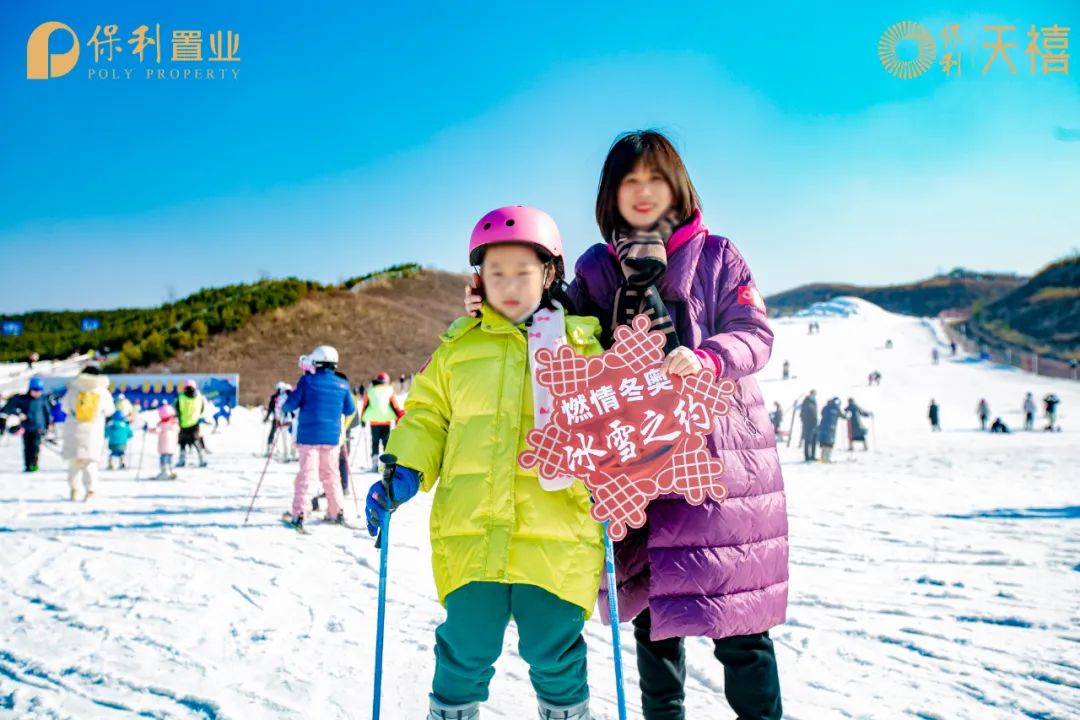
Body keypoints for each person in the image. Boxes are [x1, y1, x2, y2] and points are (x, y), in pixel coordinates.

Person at [468, 132, 786, 719]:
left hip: (717, 462)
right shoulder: (595, 268)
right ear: (610, 194)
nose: (642, 194)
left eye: (654, 180)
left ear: (677, 187)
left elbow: (755, 332)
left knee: (739, 627)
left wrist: (709, 355)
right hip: (635, 465)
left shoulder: (718, 256)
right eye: (628, 183)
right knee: (657, 623)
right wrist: (495, 300)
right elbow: (554, 323)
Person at [374, 205, 605, 720]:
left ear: (549, 274)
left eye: (523, 272)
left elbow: (612, 421)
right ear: (479, 278)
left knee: (555, 649)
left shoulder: (583, 344)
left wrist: (613, 475)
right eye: (495, 273)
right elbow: (427, 414)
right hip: (472, 526)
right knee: (464, 645)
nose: (509, 285)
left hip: (557, 528)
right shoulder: (458, 347)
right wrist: (406, 468)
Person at [282, 344, 356, 530]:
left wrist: (287, 402)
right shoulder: (342, 385)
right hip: (332, 438)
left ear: (316, 361)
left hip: (308, 437)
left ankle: (299, 514)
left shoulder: (307, 381)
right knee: (331, 475)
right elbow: (350, 409)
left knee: (307, 475)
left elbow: (289, 405)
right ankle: (336, 511)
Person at [62, 366, 115, 501]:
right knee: (90, 462)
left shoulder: (73, 390)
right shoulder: (102, 392)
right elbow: (110, 410)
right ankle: (91, 491)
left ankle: (74, 490)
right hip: (93, 431)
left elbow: (64, 408)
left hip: (73, 430)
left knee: (74, 463)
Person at [1, 377, 52, 472]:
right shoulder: (23, 399)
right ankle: (27, 465)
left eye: (39, 391)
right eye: (35, 390)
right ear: (30, 389)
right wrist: (18, 414)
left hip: (38, 427)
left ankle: (34, 464)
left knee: (35, 447)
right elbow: (9, 408)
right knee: (27, 447)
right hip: (26, 427)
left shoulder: (43, 399)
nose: (37, 393)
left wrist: (48, 424)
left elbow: (47, 413)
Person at [360, 371, 405, 471]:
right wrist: (399, 417)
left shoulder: (370, 391)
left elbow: (365, 405)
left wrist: (362, 419)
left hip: (374, 421)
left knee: (374, 442)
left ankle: (375, 463)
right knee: (386, 442)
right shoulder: (389, 391)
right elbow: (395, 406)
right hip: (386, 420)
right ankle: (386, 464)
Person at [176, 380, 208, 468]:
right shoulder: (199, 397)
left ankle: (182, 461)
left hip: (183, 424)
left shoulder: (181, 397)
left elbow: (177, 409)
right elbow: (202, 408)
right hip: (195, 423)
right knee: (196, 441)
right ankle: (202, 459)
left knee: (182, 443)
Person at [151, 404, 180, 480]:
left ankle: (164, 472)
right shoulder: (174, 423)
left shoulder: (163, 424)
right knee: (170, 458)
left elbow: (157, 430)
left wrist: (149, 429)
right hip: (172, 446)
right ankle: (170, 471)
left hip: (164, 446)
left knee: (163, 459)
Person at [817, 397, 844, 463]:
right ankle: (827, 459)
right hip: (831, 428)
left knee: (824, 443)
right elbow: (843, 416)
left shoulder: (825, 407)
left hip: (823, 427)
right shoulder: (836, 408)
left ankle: (823, 458)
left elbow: (822, 413)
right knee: (829, 444)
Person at [800, 389, 819, 462]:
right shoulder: (806, 403)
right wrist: (806, 422)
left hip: (814, 424)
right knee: (807, 441)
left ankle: (813, 456)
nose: (814, 396)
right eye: (813, 394)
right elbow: (803, 415)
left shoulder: (814, 402)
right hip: (808, 425)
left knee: (814, 440)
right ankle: (807, 456)